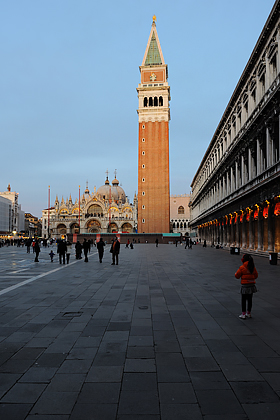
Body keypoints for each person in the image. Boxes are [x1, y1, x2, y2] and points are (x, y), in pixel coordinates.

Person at [235, 254, 258, 319]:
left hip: (245, 285)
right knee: (250, 299)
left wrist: (236, 274)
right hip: (252, 285)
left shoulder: (242, 267)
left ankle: (243, 314)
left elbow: (237, 276)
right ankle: (249, 313)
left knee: (243, 299)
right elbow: (256, 276)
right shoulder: (252, 267)